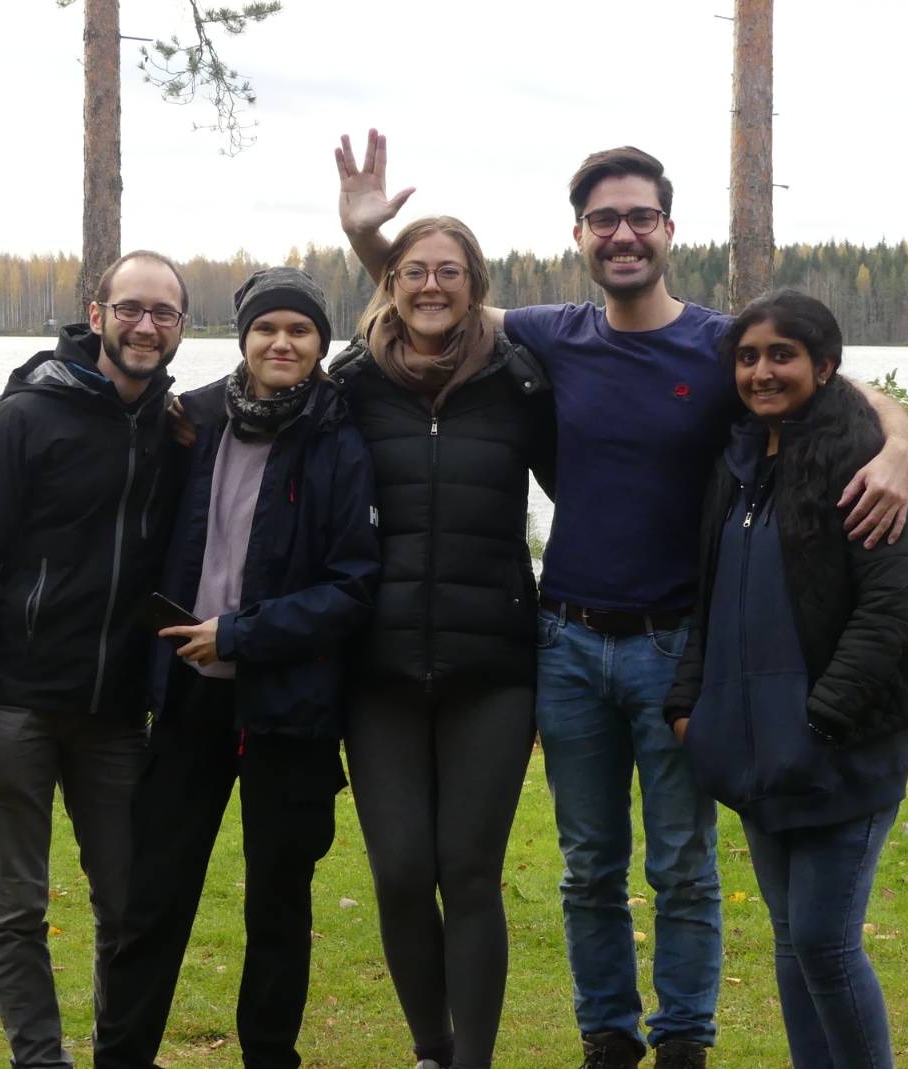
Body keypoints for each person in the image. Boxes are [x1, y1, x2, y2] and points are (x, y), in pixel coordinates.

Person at [337, 132, 908, 1069]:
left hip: (677, 645)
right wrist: (368, 238)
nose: (622, 234)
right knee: (588, 865)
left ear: (668, 229)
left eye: (640, 216)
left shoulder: (720, 344)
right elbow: (431, 301)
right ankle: (608, 1034)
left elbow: (837, 383)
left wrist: (899, 444)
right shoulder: (549, 335)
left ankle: (683, 1037)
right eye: (603, 219)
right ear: (579, 234)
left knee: (682, 862)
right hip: (565, 643)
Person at [94, 267, 380, 1069]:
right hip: (187, 699)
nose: (282, 342)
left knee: (278, 906)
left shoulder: (339, 439)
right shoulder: (194, 420)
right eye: (266, 328)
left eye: (300, 330)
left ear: (321, 344)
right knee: (153, 897)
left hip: (288, 705)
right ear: (243, 338)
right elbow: (100, 406)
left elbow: (353, 587)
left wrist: (243, 634)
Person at [0, 249, 189, 1069]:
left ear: (181, 326)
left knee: (129, 903)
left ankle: (121, 1054)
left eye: (164, 312)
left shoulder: (172, 429)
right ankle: (39, 1060)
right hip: (15, 703)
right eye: (131, 308)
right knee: (17, 906)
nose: (145, 325)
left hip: (115, 712)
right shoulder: (24, 418)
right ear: (98, 312)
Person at [663, 290, 908, 1069]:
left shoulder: (866, 465)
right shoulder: (738, 462)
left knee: (823, 940)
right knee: (790, 940)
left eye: (783, 354)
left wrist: (823, 720)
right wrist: (688, 705)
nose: (762, 371)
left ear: (825, 365)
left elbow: (887, 611)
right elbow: (709, 596)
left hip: (841, 748)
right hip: (756, 751)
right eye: (748, 357)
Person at [327, 215, 555, 1069]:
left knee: (468, 871)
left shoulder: (519, 382)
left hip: (492, 668)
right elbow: (263, 413)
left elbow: (600, 472)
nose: (431, 285)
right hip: (376, 669)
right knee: (397, 871)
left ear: (475, 285)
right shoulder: (350, 384)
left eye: (449, 271)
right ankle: (432, 1046)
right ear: (390, 283)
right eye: (415, 270)